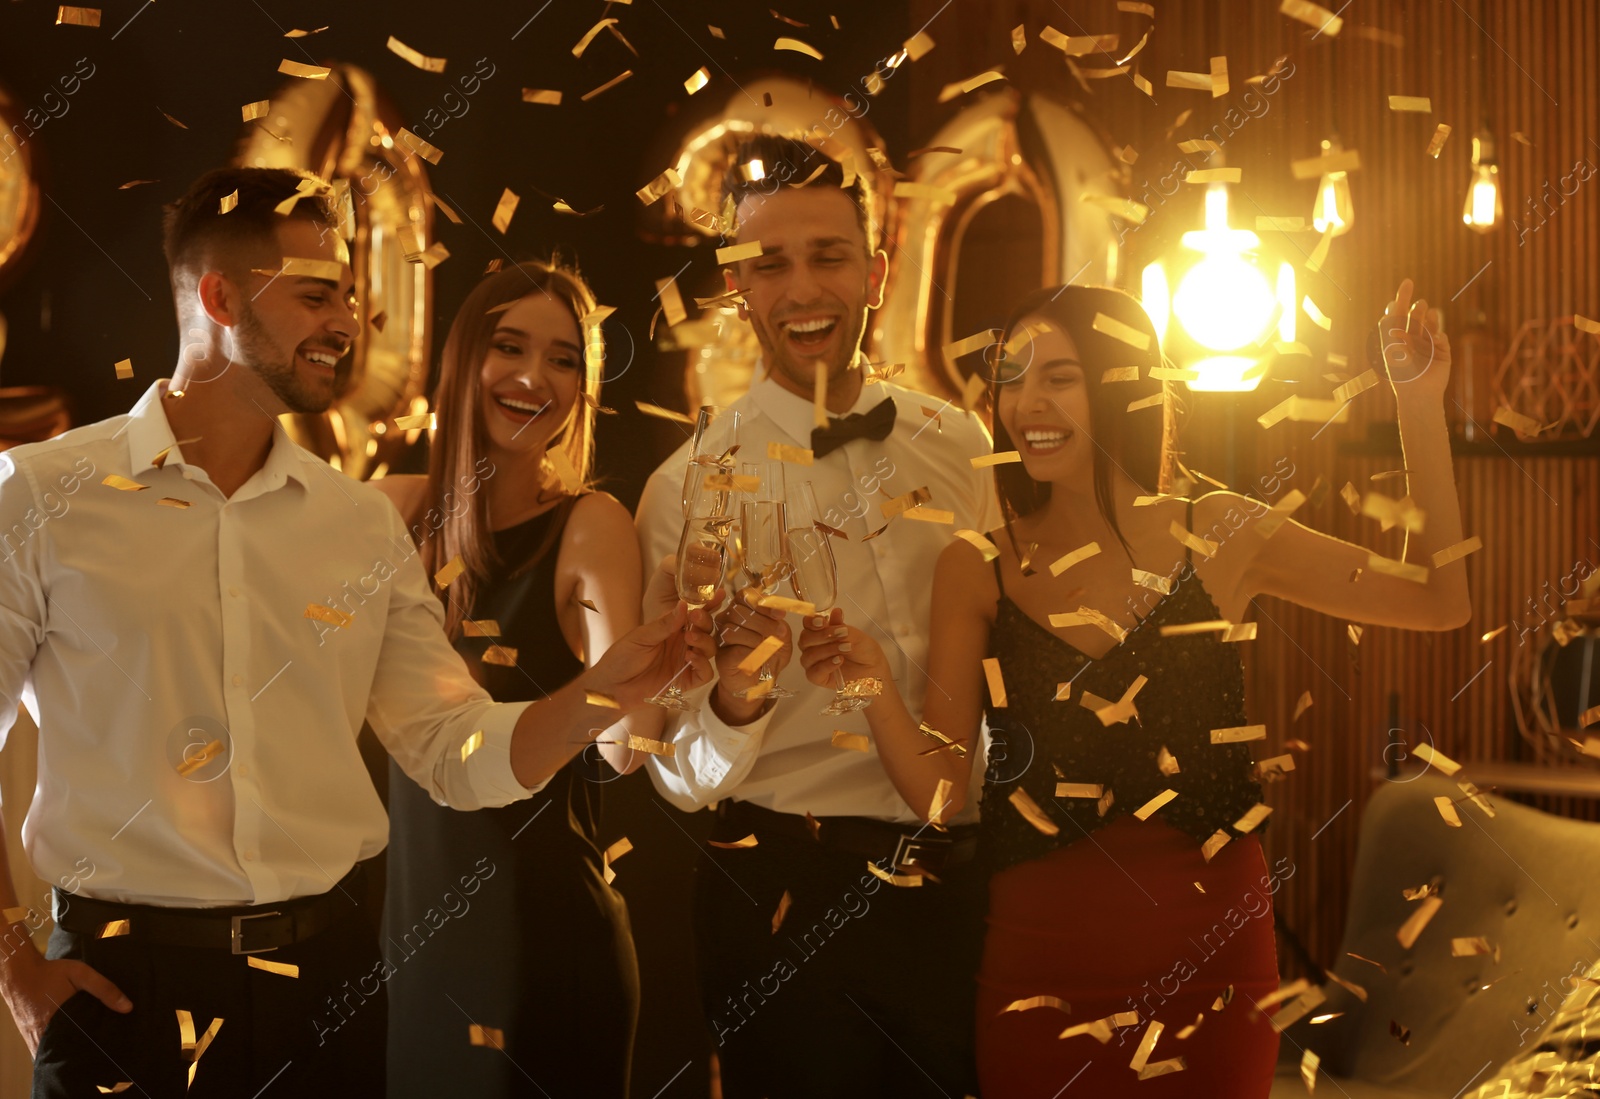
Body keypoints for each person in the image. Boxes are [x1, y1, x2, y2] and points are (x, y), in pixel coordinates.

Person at [0, 167, 712, 1099]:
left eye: (349, 295)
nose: (345, 321)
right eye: (313, 295)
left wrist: (608, 685)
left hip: (327, 993)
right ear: (217, 297)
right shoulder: (41, 493)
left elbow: (452, 748)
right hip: (124, 992)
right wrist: (15, 964)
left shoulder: (361, 526)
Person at [797, 280, 1472, 1097]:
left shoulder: (1222, 532)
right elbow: (943, 788)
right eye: (1012, 376)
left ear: (1124, 386)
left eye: (1059, 376)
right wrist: (870, 684)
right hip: (1037, 979)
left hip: (1212, 976)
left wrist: (1418, 402)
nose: (1025, 401)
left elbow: (1441, 598)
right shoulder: (976, 567)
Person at [634, 134, 1000, 1098]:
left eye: (828, 256)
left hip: (960, 885)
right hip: (780, 898)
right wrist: (738, 697)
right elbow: (675, 776)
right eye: (769, 264)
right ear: (738, 291)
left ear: (876, 272)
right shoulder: (685, 491)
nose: (801, 287)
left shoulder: (962, 444)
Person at [373, 258, 666, 1098]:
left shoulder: (590, 522)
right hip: (407, 937)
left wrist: (661, 656)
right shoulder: (388, 510)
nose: (534, 376)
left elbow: (627, 750)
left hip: (545, 939)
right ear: (465, 357)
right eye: (510, 346)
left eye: (565, 359)